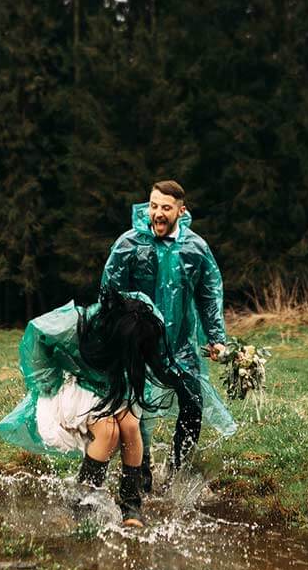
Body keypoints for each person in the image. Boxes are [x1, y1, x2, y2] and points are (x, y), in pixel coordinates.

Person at [0, 288, 177, 526]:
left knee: (131, 424)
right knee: (109, 430)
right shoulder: (76, 324)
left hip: (110, 382)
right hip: (74, 382)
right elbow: (37, 333)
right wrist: (47, 380)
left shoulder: (139, 320)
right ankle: (83, 500)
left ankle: (131, 503)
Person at [101, 180, 237, 492]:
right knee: (137, 409)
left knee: (193, 402)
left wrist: (216, 337)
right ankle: (141, 473)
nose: (158, 214)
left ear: (180, 210)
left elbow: (208, 294)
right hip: (137, 344)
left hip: (179, 346)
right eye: (153, 206)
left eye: (165, 207)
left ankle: (177, 469)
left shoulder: (196, 248)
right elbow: (110, 291)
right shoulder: (129, 244)